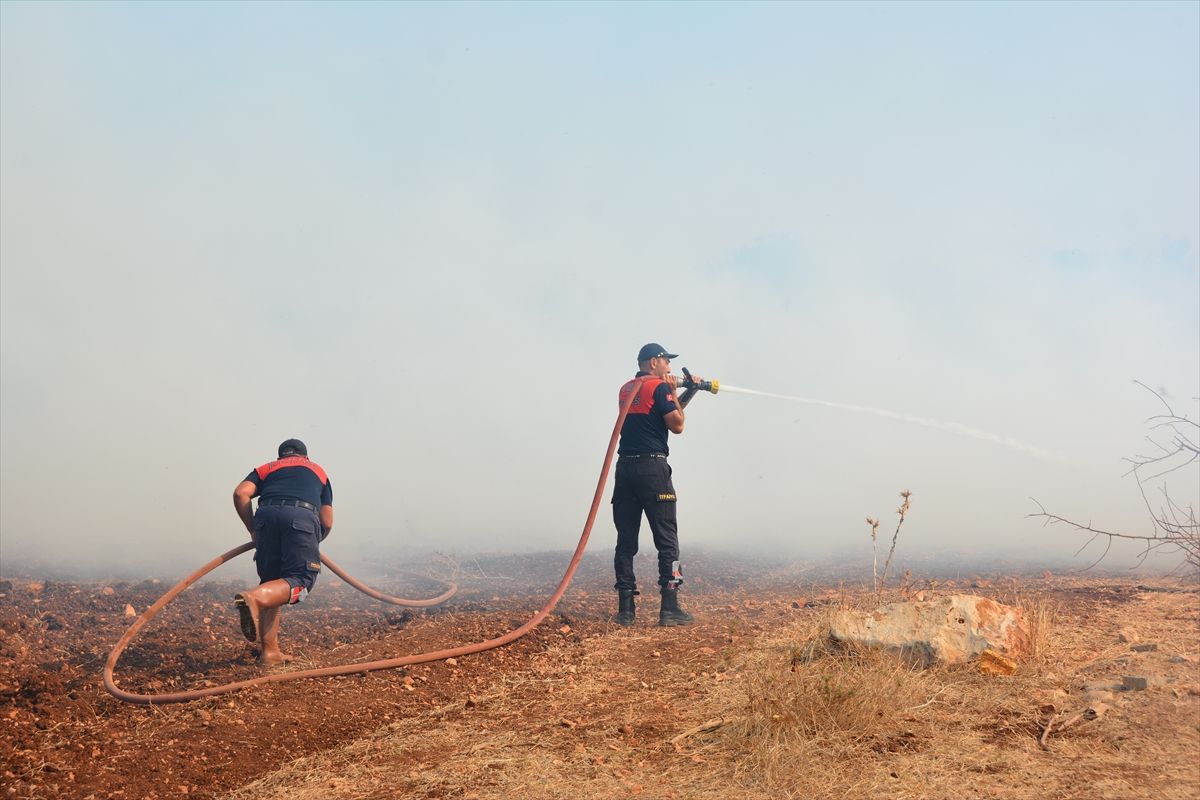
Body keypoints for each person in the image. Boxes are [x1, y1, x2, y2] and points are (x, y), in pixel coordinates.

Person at [612, 343, 705, 627]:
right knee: (667, 539)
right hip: (652, 469)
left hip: (624, 469)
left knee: (625, 541)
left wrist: (687, 391)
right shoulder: (661, 388)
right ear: (654, 362)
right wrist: (677, 390)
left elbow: (660, 417)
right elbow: (677, 425)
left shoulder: (627, 389)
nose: (670, 368)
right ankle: (670, 606)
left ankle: (626, 611)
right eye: (667, 362)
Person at [231, 439, 333, 663]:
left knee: (273, 584)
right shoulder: (319, 472)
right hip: (301, 517)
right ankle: (255, 600)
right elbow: (326, 520)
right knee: (300, 580)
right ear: (305, 457)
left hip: (266, 517)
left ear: (280, 458)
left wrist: (252, 529)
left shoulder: (266, 469)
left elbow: (241, 494)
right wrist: (311, 540)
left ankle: (270, 653)